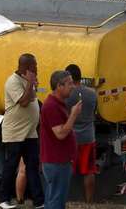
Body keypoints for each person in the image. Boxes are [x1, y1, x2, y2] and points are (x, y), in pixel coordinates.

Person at [0, 54, 44, 209]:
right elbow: (24, 102)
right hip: (15, 133)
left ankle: (39, 201)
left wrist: (32, 84)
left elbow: (32, 99)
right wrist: (30, 83)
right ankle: (3, 199)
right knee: (11, 166)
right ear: (25, 68)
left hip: (30, 132)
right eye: (34, 67)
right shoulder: (12, 82)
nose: (36, 69)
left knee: (33, 166)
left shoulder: (26, 81)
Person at [40, 70, 82, 209]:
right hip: (56, 162)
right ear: (59, 86)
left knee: (54, 198)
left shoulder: (58, 103)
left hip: (60, 161)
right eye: (69, 84)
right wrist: (73, 115)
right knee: (56, 201)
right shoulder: (51, 106)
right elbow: (60, 134)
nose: (73, 86)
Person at [65, 64, 98, 203]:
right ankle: (89, 201)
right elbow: (94, 111)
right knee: (89, 170)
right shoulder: (92, 93)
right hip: (88, 137)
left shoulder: (65, 94)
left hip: (69, 137)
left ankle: (66, 199)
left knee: (66, 171)